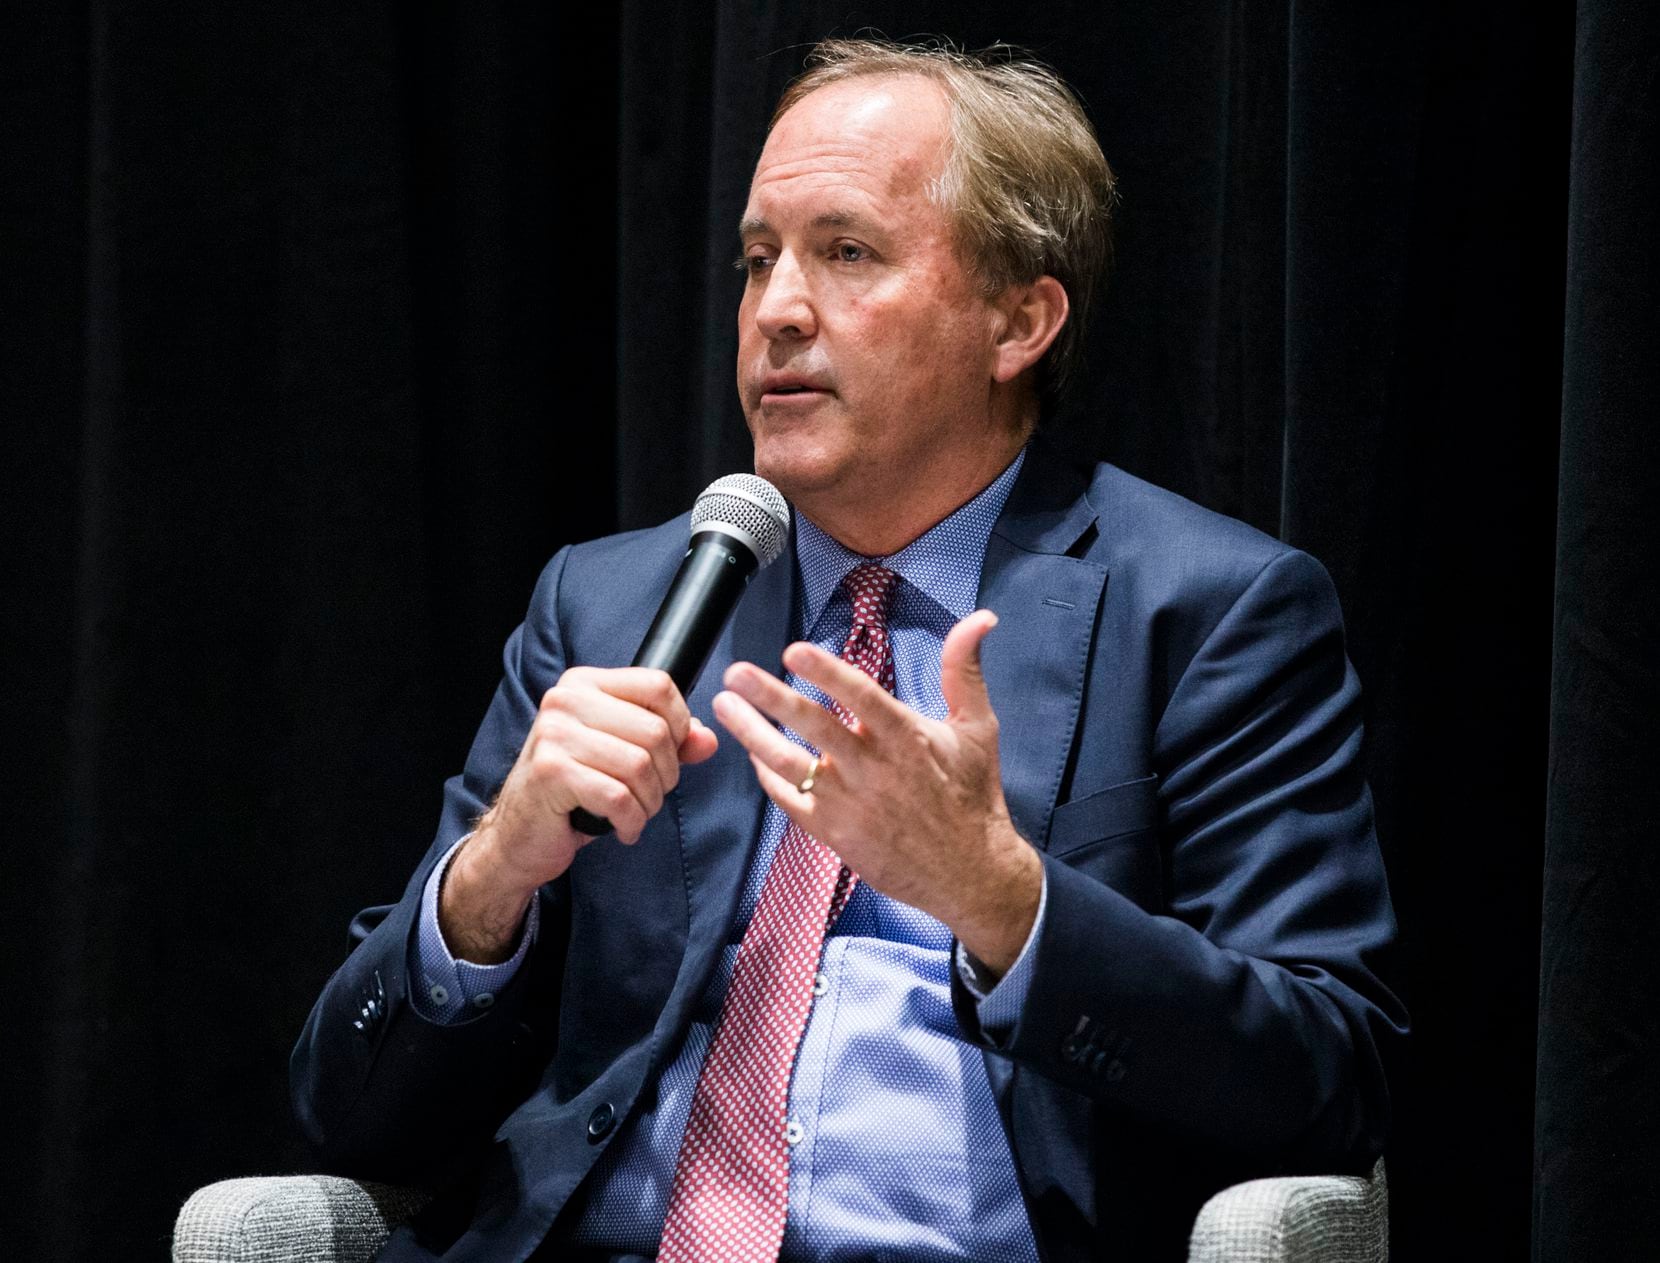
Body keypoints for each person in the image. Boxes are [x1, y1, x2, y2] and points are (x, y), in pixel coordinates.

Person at [292, 38, 1406, 1263]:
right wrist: (493, 876)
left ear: (1018, 320)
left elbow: (1327, 1075)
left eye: (847, 253)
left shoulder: (1207, 611)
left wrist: (1001, 898)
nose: (775, 308)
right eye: (758, 259)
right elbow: (347, 1116)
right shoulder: (610, 608)